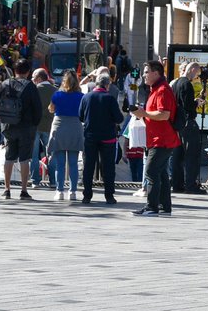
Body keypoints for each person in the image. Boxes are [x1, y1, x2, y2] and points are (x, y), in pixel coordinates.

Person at [130, 60, 180, 216]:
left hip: (162, 140)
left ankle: (152, 207)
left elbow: (164, 114)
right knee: (161, 173)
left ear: (156, 73)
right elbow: (155, 115)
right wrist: (142, 115)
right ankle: (164, 206)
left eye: (146, 72)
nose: (144, 75)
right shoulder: (155, 89)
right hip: (157, 139)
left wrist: (144, 113)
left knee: (151, 171)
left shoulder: (162, 90)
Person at [0, 58, 43, 200]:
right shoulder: (30, 86)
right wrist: (34, 124)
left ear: (15, 70)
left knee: (9, 157)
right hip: (26, 126)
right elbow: (37, 109)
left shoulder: (5, 84)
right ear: (28, 72)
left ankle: (7, 189)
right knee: (24, 159)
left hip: (8, 126)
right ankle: (23, 190)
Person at [79, 72, 124, 204]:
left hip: (90, 137)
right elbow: (119, 118)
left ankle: (87, 195)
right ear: (107, 84)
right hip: (107, 138)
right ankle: (109, 196)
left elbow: (80, 116)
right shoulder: (109, 98)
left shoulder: (86, 97)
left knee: (88, 166)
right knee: (108, 167)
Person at [47, 69, 85, 201]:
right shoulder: (81, 96)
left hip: (60, 126)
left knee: (60, 163)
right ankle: (73, 191)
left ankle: (59, 191)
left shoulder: (57, 95)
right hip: (75, 126)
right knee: (73, 163)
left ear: (64, 81)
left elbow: (51, 109)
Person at [168, 61, 205, 193]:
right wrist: (196, 103)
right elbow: (188, 105)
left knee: (178, 154)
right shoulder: (186, 84)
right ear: (192, 70)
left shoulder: (176, 83)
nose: (196, 76)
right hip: (188, 122)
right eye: (196, 73)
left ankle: (177, 184)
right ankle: (191, 185)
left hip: (178, 124)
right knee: (192, 154)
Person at [31, 68, 57, 188]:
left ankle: (35, 180)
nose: (32, 80)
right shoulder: (55, 91)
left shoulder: (34, 90)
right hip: (50, 126)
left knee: (34, 155)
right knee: (51, 154)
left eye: (33, 77)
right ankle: (53, 181)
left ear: (39, 78)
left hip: (35, 125)